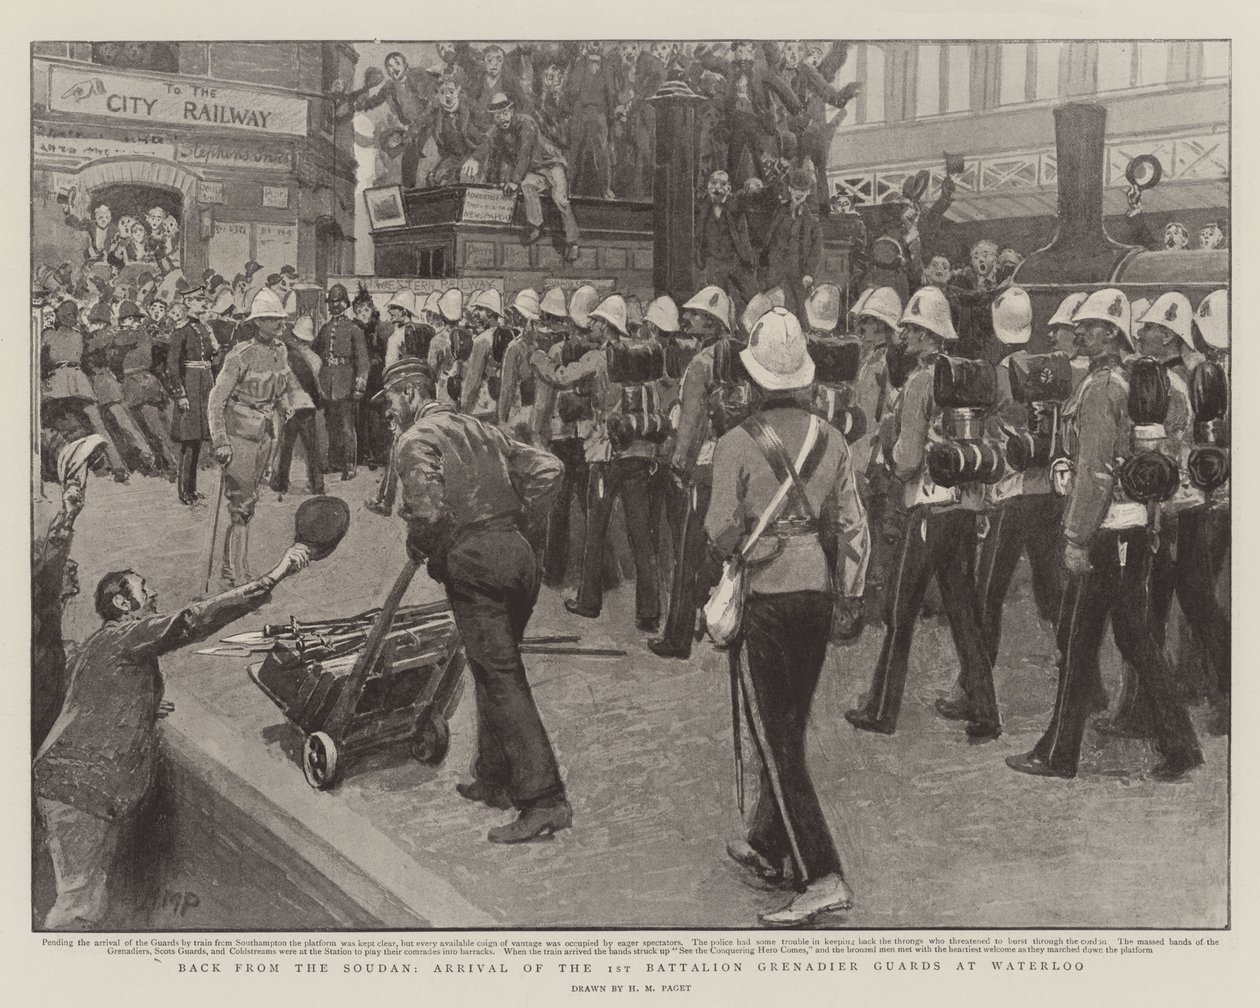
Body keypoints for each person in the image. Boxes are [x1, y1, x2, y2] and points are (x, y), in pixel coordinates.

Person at [33, 541, 313, 929]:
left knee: (88, 899)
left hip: (79, 791)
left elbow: (92, 694)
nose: (155, 594)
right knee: (77, 905)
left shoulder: (102, 644)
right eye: (144, 590)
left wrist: (144, 707)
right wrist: (275, 575)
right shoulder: (125, 637)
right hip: (80, 790)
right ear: (124, 606)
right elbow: (192, 621)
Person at [707, 306, 868, 927]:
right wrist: (851, 592)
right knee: (790, 725)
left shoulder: (735, 442)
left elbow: (720, 530)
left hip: (768, 592)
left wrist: (738, 544)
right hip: (819, 589)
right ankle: (769, 843)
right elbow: (852, 523)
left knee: (775, 739)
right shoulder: (833, 438)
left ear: (753, 379)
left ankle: (821, 876)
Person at [1007, 289, 1203, 781]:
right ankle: (1179, 745)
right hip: (1132, 527)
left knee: (1078, 641)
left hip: (1105, 532)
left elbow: (1094, 471)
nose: (1079, 331)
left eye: (1090, 326)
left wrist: (1074, 538)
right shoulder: (1129, 381)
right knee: (1134, 638)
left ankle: (1060, 754)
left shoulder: (1100, 389)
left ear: (1109, 335)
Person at [382, 358, 570, 843]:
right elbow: (549, 468)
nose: (389, 413)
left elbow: (425, 509)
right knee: (492, 665)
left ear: (408, 393)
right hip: (518, 558)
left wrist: (429, 546)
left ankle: (544, 799)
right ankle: (495, 776)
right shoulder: (479, 427)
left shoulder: (415, 440)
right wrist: (522, 523)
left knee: (500, 674)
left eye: (391, 401)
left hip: (475, 564)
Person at [844, 286, 1001, 741]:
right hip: (963, 508)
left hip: (927, 508)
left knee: (898, 611)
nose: (905, 334)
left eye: (913, 328)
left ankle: (881, 708)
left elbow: (909, 458)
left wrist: (890, 452)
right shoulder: (964, 374)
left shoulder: (917, 383)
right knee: (964, 614)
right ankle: (985, 713)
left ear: (930, 336)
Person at [547, 294, 661, 630]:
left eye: (596, 321)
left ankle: (589, 601)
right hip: (639, 451)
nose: (590, 325)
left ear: (607, 326)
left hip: (606, 454)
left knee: (595, 529)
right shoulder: (642, 354)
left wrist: (542, 358)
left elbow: (563, 378)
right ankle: (650, 610)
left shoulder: (599, 358)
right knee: (641, 535)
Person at [973, 286, 1066, 665]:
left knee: (988, 591)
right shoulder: (1048, 371)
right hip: (1046, 494)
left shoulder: (994, 377)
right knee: (1052, 591)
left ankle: (973, 685)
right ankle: (1087, 680)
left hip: (1010, 495)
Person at [650, 285, 737, 659]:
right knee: (724, 546)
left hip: (702, 466)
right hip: (734, 463)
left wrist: (678, 465)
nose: (689, 319)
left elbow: (689, 423)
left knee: (688, 551)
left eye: (697, 315)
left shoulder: (701, 363)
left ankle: (678, 637)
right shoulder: (737, 357)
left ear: (711, 322)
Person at [207, 288, 295, 586]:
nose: (280, 325)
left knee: (250, 504)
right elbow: (216, 401)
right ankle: (236, 573)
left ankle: (235, 568)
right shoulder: (239, 355)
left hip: (267, 435)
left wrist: (284, 403)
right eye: (273, 320)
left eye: (281, 320)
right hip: (240, 435)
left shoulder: (281, 350)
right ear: (258, 322)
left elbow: (280, 385)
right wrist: (220, 440)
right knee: (240, 507)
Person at [461, 94, 580, 262]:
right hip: (532, 170)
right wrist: (474, 158)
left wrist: (513, 180)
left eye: (504, 113)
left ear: (511, 111)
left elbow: (525, 155)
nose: (501, 118)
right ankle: (536, 225)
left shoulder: (526, 123)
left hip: (551, 165)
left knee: (559, 199)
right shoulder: (497, 130)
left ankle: (572, 242)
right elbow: (486, 144)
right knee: (527, 184)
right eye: (497, 115)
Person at [166, 294, 220, 505]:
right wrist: (180, 394)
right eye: (199, 300)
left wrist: (215, 349)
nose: (204, 302)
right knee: (189, 442)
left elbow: (213, 357)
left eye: (203, 299)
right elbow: (172, 366)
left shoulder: (203, 328)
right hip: (190, 386)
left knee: (197, 441)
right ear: (188, 304)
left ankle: (192, 488)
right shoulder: (181, 331)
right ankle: (185, 491)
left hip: (204, 384)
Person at [313, 284, 369, 481]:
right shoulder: (325, 328)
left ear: (345, 304)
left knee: (347, 427)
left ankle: (349, 465)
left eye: (338, 302)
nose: (334, 306)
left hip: (346, 383)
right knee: (331, 425)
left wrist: (360, 386)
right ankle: (335, 462)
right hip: (327, 383)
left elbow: (363, 361)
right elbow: (315, 353)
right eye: (332, 303)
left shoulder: (354, 329)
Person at [116, 300, 179, 477]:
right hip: (149, 383)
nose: (135, 322)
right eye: (132, 319)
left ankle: (172, 464)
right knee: (158, 427)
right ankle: (172, 462)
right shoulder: (144, 334)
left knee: (153, 428)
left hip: (137, 386)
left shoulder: (126, 336)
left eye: (135, 319)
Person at [270, 314, 325, 500]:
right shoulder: (315, 359)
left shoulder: (285, 354)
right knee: (312, 448)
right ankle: (317, 484)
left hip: (291, 406)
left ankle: (281, 482)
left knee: (287, 446)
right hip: (307, 406)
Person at [760, 168, 823, 318]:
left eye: (803, 189)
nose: (799, 193)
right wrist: (764, 263)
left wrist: (809, 273)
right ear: (790, 189)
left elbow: (815, 252)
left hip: (798, 273)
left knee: (797, 312)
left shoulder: (813, 223)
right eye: (795, 189)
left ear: (808, 192)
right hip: (775, 271)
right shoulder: (779, 212)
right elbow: (769, 237)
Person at [562, 42, 619, 198]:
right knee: (574, 151)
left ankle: (605, 189)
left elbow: (612, 93)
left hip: (599, 113)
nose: (595, 44)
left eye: (598, 42)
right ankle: (567, 188)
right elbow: (571, 91)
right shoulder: (579, 64)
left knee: (602, 152)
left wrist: (610, 115)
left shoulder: (607, 66)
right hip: (579, 112)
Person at [695, 170, 756, 311]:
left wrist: (747, 259)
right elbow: (698, 235)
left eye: (722, 184)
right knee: (714, 300)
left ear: (729, 188)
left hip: (733, 260)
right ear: (708, 186)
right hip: (712, 261)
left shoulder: (735, 207)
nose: (717, 188)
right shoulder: (702, 207)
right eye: (713, 183)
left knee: (746, 297)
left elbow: (743, 235)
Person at [497, 289, 542, 440]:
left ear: (521, 316)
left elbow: (507, 387)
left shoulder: (515, 347)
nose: (513, 316)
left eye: (516, 312)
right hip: (543, 412)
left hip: (522, 414)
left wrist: (502, 420)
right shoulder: (544, 341)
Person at [460, 288, 508, 419]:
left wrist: (463, 408)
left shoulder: (482, 340)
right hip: (500, 406)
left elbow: (473, 380)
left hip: (480, 408)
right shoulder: (508, 335)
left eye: (480, 309)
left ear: (490, 311)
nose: (475, 313)